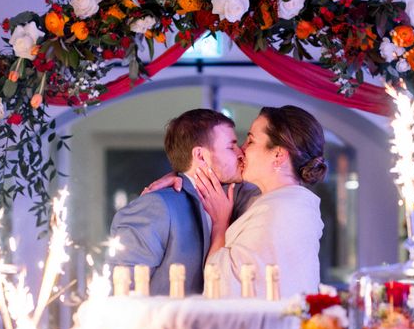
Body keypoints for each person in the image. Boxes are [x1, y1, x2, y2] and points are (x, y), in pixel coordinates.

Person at [109, 109, 257, 295]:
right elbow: (121, 292)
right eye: (231, 146)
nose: (241, 153)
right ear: (201, 156)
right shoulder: (156, 206)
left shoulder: (240, 198)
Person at [195, 105, 327, 298]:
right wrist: (181, 176)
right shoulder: (278, 202)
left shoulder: (279, 212)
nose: (241, 150)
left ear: (278, 155)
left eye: (250, 141)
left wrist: (220, 224)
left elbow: (221, 282)